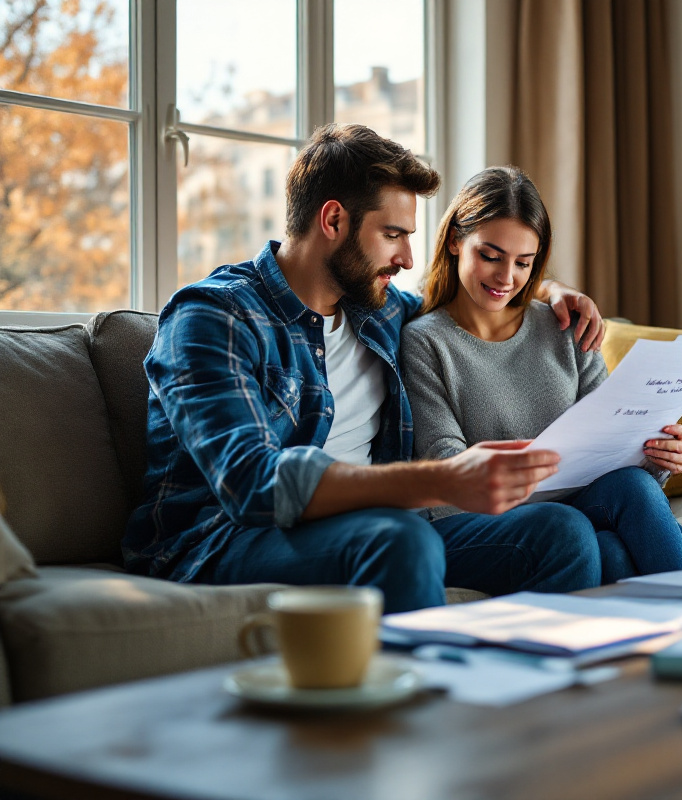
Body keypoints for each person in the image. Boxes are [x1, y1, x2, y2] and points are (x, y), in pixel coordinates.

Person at [123, 124, 611, 612]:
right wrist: (440, 479)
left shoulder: (377, 309)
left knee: (560, 531)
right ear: (333, 220)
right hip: (229, 538)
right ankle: (429, 687)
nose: (406, 257)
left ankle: (554, 679)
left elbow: (475, 293)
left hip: (377, 527)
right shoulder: (212, 317)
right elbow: (253, 483)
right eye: (393, 234)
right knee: (400, 539)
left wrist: (552, 292)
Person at [401, 166, 682, 583]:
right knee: (610, 552)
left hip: (577, 506)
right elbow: (447, 466)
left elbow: (616, 448)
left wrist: (659, 455)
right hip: (482, 519)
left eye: (523, 263)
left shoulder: (565, 327)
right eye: (489, 256)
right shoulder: (425, 341)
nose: (505, 278)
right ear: (455, 240)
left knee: (634, 487)